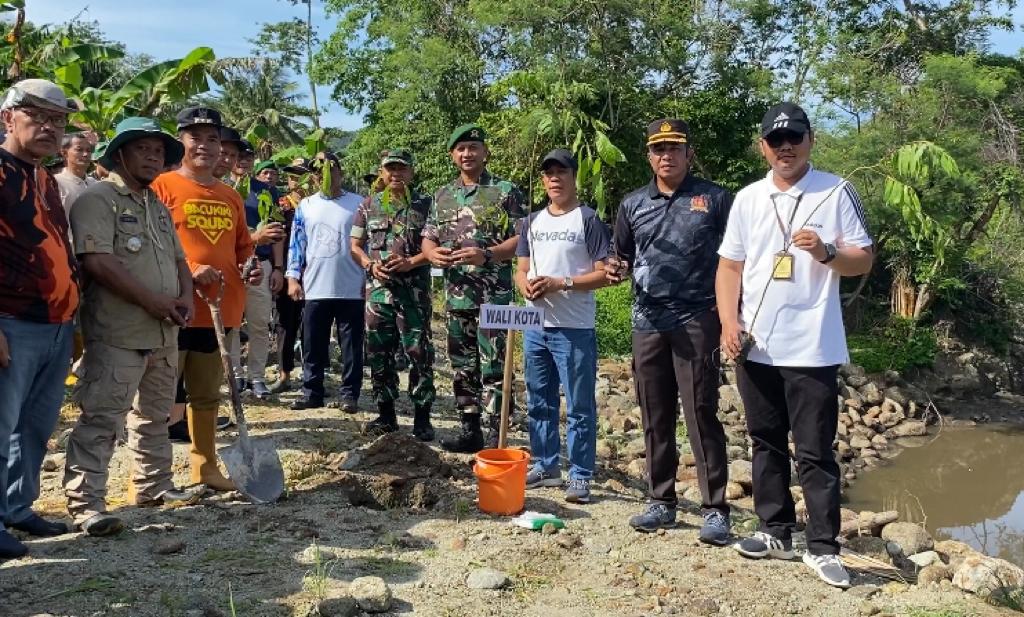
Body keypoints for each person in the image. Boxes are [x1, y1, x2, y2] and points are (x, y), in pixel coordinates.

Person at [717, 103, 873, 588]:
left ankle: (824, 547)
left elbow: (863, 259)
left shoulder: (836, 191)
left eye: (795, 138)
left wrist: (827, 252)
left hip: (812, 346)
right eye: (776, 139)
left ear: (810, 141)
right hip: (756, 345)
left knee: (815, 450)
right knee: (764, 442)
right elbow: (729, 268)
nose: (786, 147)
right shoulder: (747, 198)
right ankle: (775, 530)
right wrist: (728, 322)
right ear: (763, 146)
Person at [62, 117, 203, 536]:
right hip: (119, 331)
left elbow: (179, 260)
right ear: (119, 153)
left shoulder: (156, 206)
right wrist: (155, 301)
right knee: (103, 417)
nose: (152, 156)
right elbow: (98, 262)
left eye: (158, 151)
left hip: (163, 332)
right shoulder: (97, 199)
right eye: (142, 148)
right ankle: (86, 504)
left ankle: (153, 486)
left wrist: (185, 298)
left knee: (155, 416)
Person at [605, 119, 733, 543]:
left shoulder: (713, 199)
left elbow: (736, 259)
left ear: (687, 153)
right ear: (649, 155)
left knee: (701, 412)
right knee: (654, 414)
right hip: (648, 320)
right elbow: (618, 254)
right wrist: (613, 268)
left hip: (699, 318)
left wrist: (735, 315)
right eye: (658, 148)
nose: (666, 155)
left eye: (674, 147)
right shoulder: (632, 204)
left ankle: (715, 509)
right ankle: (661, 501)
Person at [151, 106, 260, 492]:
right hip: (175, 308)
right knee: (158, 397)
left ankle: (205, 467)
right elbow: (153, 243)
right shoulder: (162, 186)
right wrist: (192, 268)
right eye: (195, 137)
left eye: (213, 139)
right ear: (180, 140)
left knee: (206, 396)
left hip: (221, 310)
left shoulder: (229, 195)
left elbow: (244, 247)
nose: (205, 145)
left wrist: (251, 266)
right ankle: (152, 477)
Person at [0, 79, 80, 558]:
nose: (51, 128)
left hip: (55, 323)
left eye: (58, 120)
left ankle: (17, 507)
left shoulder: (46, 179)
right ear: (8, 118)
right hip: (12, 321)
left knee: (34, 425)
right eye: (39, 117)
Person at [422, 124, 526, 453]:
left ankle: (497, 435)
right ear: (453, 155)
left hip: (494, 294)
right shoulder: (442, 195)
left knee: (496, 364)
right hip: (456, 295)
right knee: (462, 364)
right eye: (460, 149)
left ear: (484, 152)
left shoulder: (506, 190)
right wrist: (430, 253)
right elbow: (429, 236)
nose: (467, 154)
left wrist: (489, 255)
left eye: (473, 147)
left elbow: (524, 239)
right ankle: (470, 430)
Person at [514, 149, 610, 504]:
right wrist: (524, 283)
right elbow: (521, 268)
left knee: (579, 405)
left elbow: (605, 274)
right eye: (549, 173)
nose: (555, 178)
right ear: (543, 180)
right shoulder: (531, 222)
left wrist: (562, 283)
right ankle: (545, 464)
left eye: (562, 172)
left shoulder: (588, 219)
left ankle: (581, 474)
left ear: (574, 177)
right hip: (535, 325)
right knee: (539, 400)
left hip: (573, 326)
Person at [350, 148, 436, 440]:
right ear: (381, 172)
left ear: (412, 172)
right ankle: (386, 414)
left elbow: (435, 247)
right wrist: (370, 265)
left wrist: (411, 262)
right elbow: (355, 246)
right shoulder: (367, 205)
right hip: (378, 295)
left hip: (414, 294)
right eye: (391, 169)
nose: (396, 174)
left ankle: (422, 419)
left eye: (402, 169)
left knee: (419, 354)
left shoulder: (427, 205)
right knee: (379, 353)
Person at [286, 152, 365, 411]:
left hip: (351, 286)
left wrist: (370, 277)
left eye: (331, 169)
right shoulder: (306, 206)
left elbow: (370, 243)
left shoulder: (359, 203)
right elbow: (297, 245)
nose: (326, 175)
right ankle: (312, 391)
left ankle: (349, 394)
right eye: (319, 172)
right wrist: (292, 278)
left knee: (351, 346)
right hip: (315, 285)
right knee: (313, 343)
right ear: (314, 177)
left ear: (340, 172)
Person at [220, 130, 286, 398]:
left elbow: (277, 231)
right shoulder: (220, 188)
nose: (243, 161)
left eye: (248, 156)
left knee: (259, 323)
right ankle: (234, 375)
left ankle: (256, 377)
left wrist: (279, 268)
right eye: (238, 156)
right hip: (228, 265)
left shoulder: (267, 192)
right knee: (231, 324)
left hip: (260, 262)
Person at [271, 157, 312, 394]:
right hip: (288, 273)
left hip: (315, 274)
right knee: (285, 325)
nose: (297, 181)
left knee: (311, 326)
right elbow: (276, 238)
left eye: (302, 175)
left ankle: (311, 375)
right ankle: (284, 373)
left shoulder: (317, 205)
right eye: (293, 176)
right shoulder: (280, 205)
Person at [53, 133, 96, 217]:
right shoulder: (55, 183)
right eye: (79, 150)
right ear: (64, 153)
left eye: (88, 150)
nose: (85, 154)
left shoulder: (95, 184)